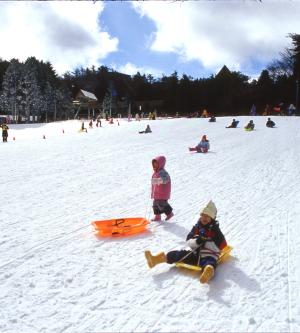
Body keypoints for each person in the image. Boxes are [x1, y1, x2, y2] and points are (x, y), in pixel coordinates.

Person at [145, 200, 227, 284]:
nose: (204, 218)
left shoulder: (215, 230)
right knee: (179, 254)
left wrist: (212, 238)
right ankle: (156, 260)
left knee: (209, 261)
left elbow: (223, 245)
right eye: (203, 215)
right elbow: (188, 240)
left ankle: (208, 271)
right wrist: (197, 241)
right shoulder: (197, 227)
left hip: (208, 253)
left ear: (212, 218)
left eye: (207, 216)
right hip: (195, 253)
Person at [151, 156, 173, 222]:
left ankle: (169, 213)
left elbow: (166, 179)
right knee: (155, 204)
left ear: (161, 164)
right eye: (154, 164)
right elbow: (154, 182)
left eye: (156, 164)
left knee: (161, 203)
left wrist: (158, 181)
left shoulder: (163, 172)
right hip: (157, 192)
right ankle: (157, 216)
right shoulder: (155, 172)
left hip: (162, 192)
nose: (155, 165)